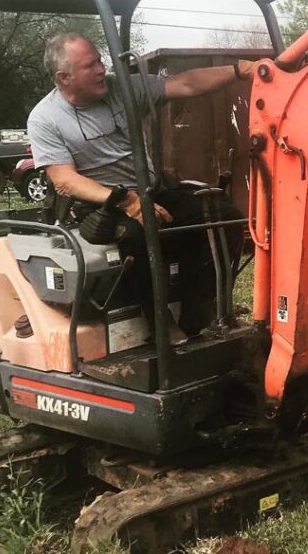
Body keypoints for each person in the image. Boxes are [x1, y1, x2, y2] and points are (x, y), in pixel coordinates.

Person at [27, 32, 256, 336]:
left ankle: (198, 313)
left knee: (225, 217)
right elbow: (64, 179)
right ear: (64, 77)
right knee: (137, 233)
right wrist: (125, 200)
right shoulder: (46, 118)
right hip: (99, 206)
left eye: (99, 60)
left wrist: (238, 70)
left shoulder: (121, 89)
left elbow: (186, 83)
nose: (100, 69)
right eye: (90, 65)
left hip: (148, 191)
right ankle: (159, 322)